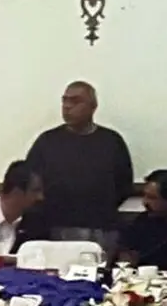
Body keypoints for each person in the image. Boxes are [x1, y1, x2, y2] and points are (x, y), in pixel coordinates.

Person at [25, 81, 133, 253]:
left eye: (75, 101)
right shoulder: (47, 141)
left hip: (102, 227)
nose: (67, 106)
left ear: (93, 107)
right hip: (56, 226)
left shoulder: (111, 141)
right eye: (64, 100)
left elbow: (124, 184)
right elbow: (31, 182)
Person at [117, 170, 167, 268]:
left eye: (152, 198)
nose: (145, 202)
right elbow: (125, 251)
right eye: (144, 195)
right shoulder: (142, 220)